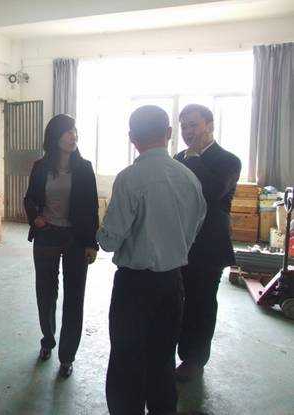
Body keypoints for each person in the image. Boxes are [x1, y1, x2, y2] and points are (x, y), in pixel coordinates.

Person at [97, 106, 206, 415]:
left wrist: (99, 230)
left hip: (134, 286)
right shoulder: (189, 178)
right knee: (162, 360)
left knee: (126, 361)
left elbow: (109, 240)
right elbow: (195, 228)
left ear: (132, 138)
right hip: (172, 283)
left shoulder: (130, 179)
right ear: (169, 133)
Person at [24, 114, 99, 378]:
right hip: (47, 236)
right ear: (55, 137)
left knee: (74, 296)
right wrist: (35, 217)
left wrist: (91, 243)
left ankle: (67, 356)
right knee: (45, 292)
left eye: (75, 131)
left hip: (76, 239)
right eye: (68, 131)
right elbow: (30, 198)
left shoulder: (85, 168)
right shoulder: (40, 166)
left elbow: (91, 207)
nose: (73, 136)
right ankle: (47, 339)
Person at [174, 104, 241, 382]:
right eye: (184, 126)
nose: (187, 131)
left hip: (209, 244)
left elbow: (212, 192)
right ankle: (176, 349)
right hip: (179, 241)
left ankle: (194, 359)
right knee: (177, 299)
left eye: (193, 125)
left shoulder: (228, 161)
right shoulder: (178, 158)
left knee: (201, 303)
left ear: (210, 125)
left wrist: (194, 159)